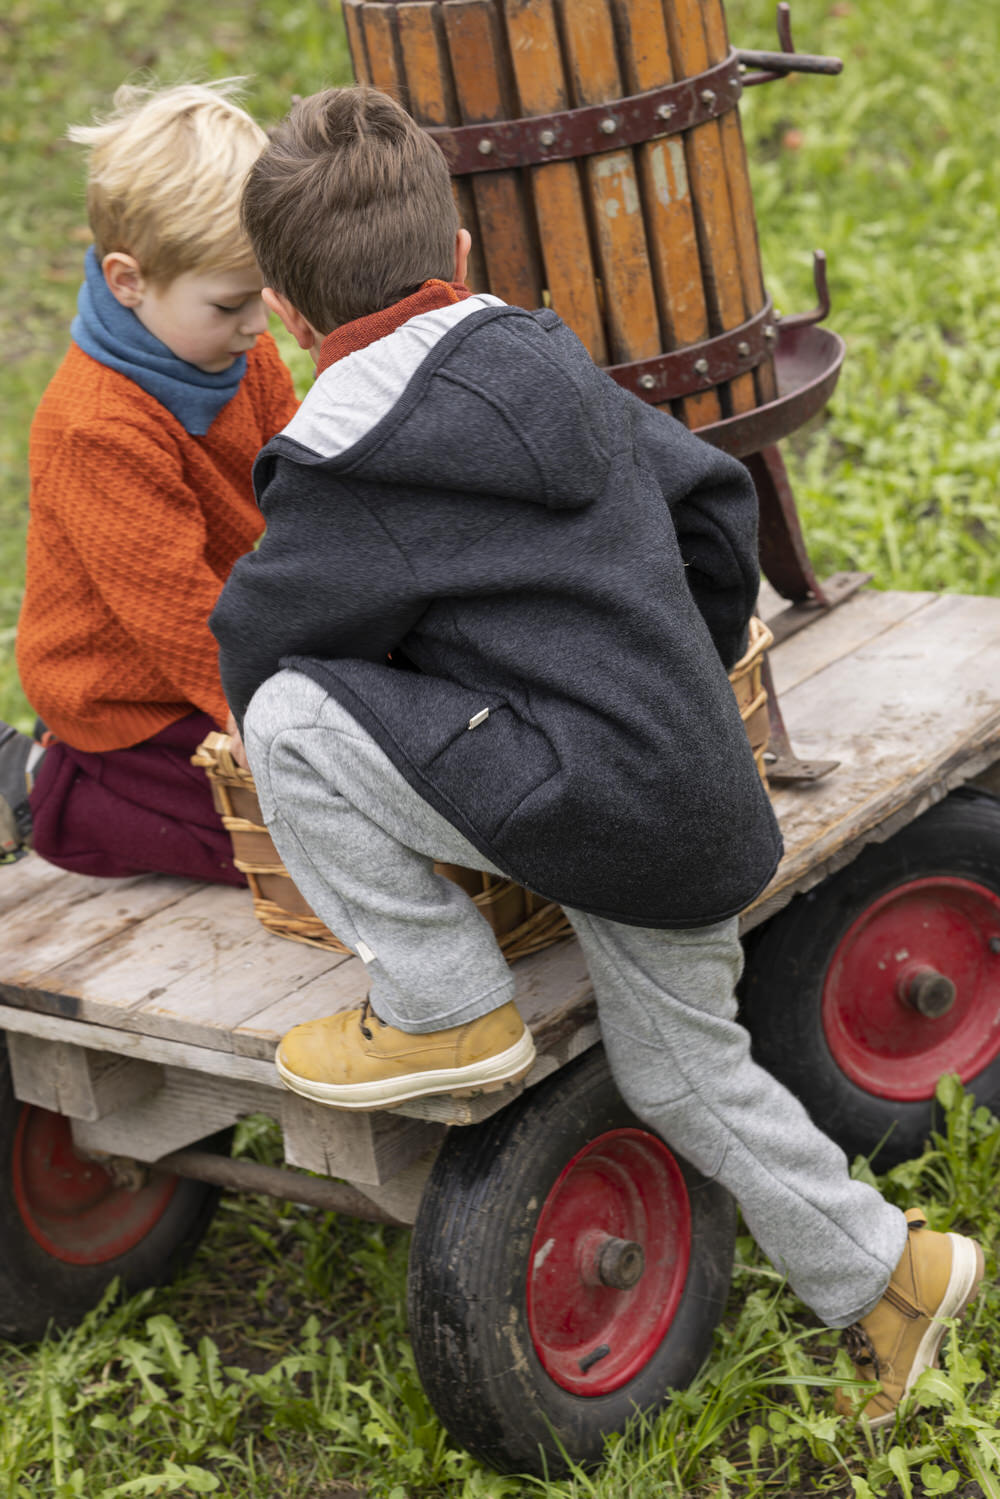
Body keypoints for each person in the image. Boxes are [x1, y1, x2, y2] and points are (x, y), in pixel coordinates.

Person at [209, 85, 985, 1427]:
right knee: (686, 1075)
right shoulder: (556, 364)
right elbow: (715, 501)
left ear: (284, 314)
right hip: (687, 792)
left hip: (571, 797)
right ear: (461, 255)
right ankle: (894, 1274)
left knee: (283, 714)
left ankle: (442, 1000)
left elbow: (261, 639)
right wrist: (677, 664)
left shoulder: (345, 455)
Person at [0, 80, 298, 880]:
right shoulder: (97, 425)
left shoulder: (240, 351)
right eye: (231, 304)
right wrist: (251, 708)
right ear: (129, 281)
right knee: (280, 840)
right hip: (128, 694)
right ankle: (42, 787)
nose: (258, 325)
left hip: (226, 633)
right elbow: (173, 610)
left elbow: (301, 482)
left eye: (263, 294)